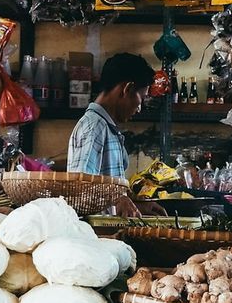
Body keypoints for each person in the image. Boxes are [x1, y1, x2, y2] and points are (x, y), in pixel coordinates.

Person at [67, 53, 162, 217]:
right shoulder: (94, 127)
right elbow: (79, 190)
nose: (140, 108)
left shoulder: (108, 128)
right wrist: (117, 200)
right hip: (94, 237)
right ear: (127, 89)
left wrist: (135, 205)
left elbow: (105, 189)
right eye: (142, 98)